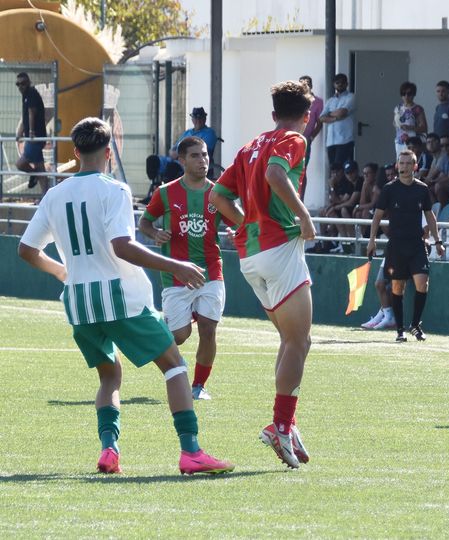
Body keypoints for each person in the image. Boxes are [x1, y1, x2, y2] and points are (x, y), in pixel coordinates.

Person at [17, 117, 233, 475]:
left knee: (109, 376)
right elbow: (123, 246)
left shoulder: (54, 194)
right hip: (120, 298)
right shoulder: (114, 189)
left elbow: (27, 250)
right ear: (108, 152)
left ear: (75, 152)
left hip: (80, 304)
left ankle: (109, 450)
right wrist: (176, 265)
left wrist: (61, 272)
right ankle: (191, 452)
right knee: (175, 365)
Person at [210, 80, 316, 469]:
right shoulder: (294, 139)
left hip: (250, 255)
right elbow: (276, 174)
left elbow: (217, 197)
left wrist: (244, 225)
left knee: (292, 342)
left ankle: (287, 422)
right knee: (299, 340)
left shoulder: (249, 145)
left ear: (273, 114)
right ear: (307, 116)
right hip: (279, 248)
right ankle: (280, 425)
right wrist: (303, 216)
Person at [139, 136, 228, 401]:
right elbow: (145, 222)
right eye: (195, 156)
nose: (202, 160)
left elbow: (239, 221)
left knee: (209, 329)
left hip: (211, 271)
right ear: (181, 160)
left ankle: (198, 386)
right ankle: (162, 326)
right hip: (176, 275)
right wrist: (155, 233)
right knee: (179, 335)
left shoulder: (218, 193)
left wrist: (236, 231)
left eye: (204, 155)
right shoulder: (165, 193)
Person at [367, 150, 445, 342]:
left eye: (408, 163)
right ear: (397, 166)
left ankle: (416, 325)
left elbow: (430, 215)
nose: (404, 167)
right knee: (397, 287)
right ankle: (400, 329)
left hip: (417, 244)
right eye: (401, 163)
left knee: (422, 283)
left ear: (415, 166)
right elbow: (377, 215)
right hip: (397, 246)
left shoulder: (422, 189)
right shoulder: (389, 189)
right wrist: (372, 239)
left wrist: (438, 241)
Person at [145, 107, 219, 193]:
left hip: (190, 161)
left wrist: (179, 153)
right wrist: (174, 152)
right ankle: (152, 193)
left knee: (172, 167)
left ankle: (168, 194)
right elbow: (174, 148)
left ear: (205, 119)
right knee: (152, 160)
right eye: (196, 118)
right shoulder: (187, 132)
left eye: (200, 118)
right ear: (192, 119)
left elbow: (201, 151)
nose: (198, 120)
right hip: (176, 158)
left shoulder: (209, 133)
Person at [15, 72, 47, 193]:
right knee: (40, 170)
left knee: (20, 164)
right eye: (17, 84)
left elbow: (31, 113)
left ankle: (34, 175)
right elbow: (25, 118)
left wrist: (32, 131)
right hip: (32, 139)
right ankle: (46, 198)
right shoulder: (25, 96)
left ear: (28, 83)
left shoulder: (32, 93)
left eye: (23, 83)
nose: (20, 86)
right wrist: (19, 133)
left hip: (35, 138)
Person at [320, 73, 355, 168]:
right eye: (337, 82)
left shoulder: (351, 97)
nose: (340, 84)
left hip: (345, 140)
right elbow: (321, 118)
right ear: (334, 84)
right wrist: (335, 118)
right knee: (334, 170)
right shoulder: (330, 100)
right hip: (331, 141)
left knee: (343, 169)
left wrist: (329, 114)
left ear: (346, 84)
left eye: (342, 83)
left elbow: (342, 112)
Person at [393, 81, 427, 156]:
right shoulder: (398, 108)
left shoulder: (417, 109)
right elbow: (394, 122)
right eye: (403, 94)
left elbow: (424, 127)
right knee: (401, 161)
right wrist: (397, 125)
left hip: (413, 142)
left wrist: (410, 127)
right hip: (400, 140)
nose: (406, 96)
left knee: (411, 160)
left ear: (413, 94)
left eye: (409, 94)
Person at [299, 75, 324, 167]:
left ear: (312, 86)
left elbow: (320, 122)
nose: (305, 86)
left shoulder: (318, 102)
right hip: (293, 138)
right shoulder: (295, 100)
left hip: (306, 139)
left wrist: (311, 137)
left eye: (308, 84)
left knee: (303, 168)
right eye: (302, 84)